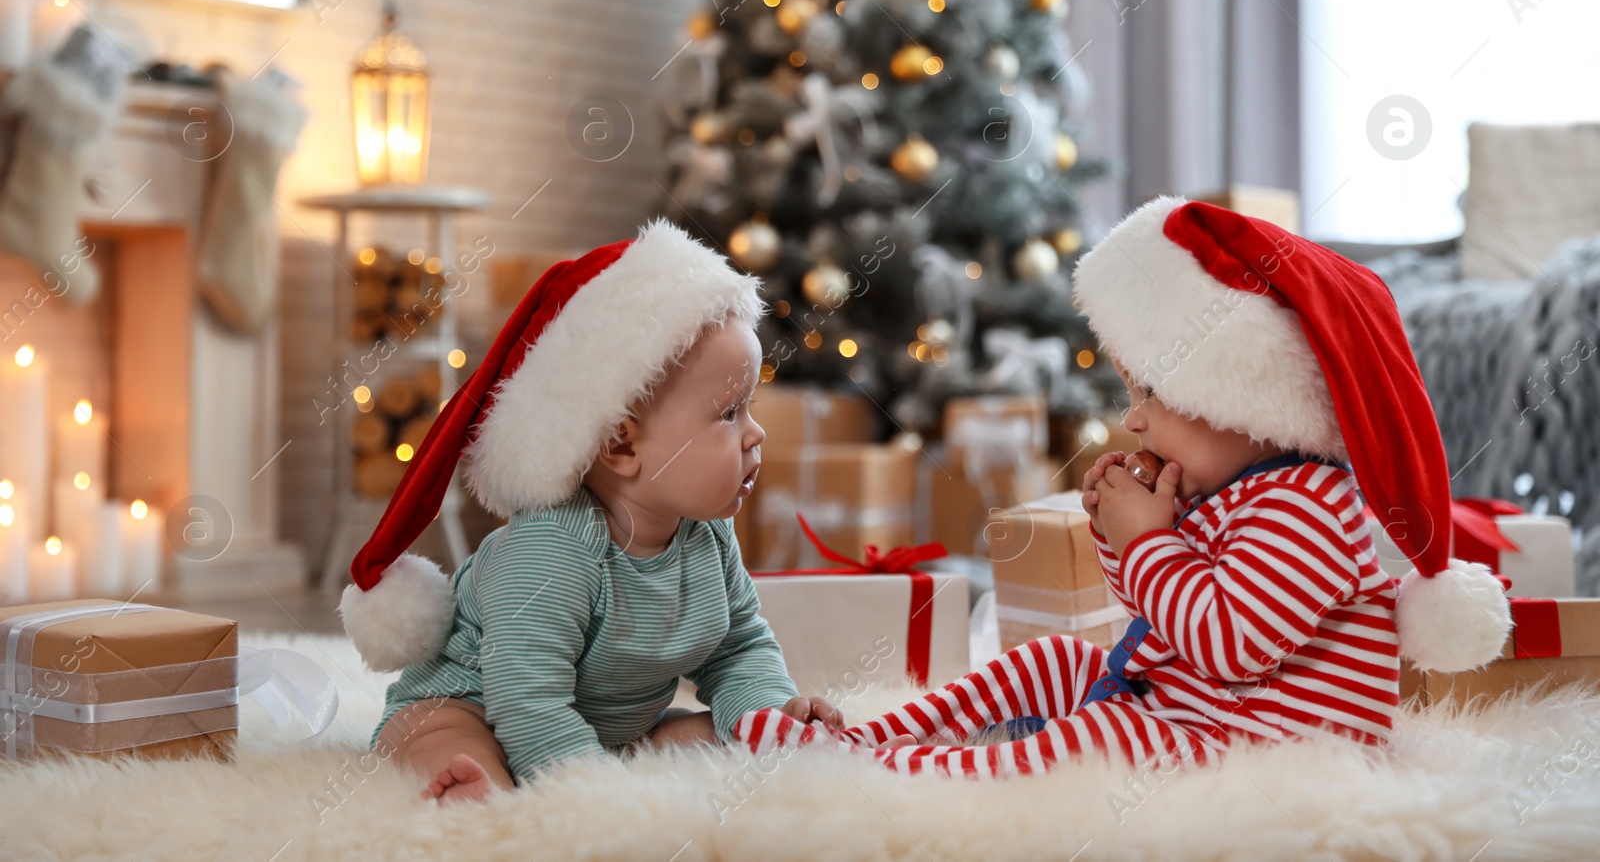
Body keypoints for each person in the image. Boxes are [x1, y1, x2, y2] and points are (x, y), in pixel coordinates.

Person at [734, 196, 1512, 778]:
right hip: (1199, 707)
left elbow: (1229, 643)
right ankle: (876, 734)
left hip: (1262, 745)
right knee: (1054, 662)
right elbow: (1160, 609)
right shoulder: (1233, 491)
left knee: (1101, 737)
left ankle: (904, 774)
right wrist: (1122, 537)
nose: (1133, 422)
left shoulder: (1307, 510)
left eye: (1150, 395)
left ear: (1243, 400)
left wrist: (1147, 538)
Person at [339, 221, 842, 802]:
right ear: (622, 446)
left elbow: (739, 647)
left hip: (611, 730)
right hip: (476, 702)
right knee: (443, 740)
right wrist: (591, 795)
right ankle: (475, 797)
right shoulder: (550, 550)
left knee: (722, 739)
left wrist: (767, 716)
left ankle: (619, 758)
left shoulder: (708, 535)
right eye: (729, 413)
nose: (755, 435)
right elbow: (526, 696)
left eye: (750, 408)